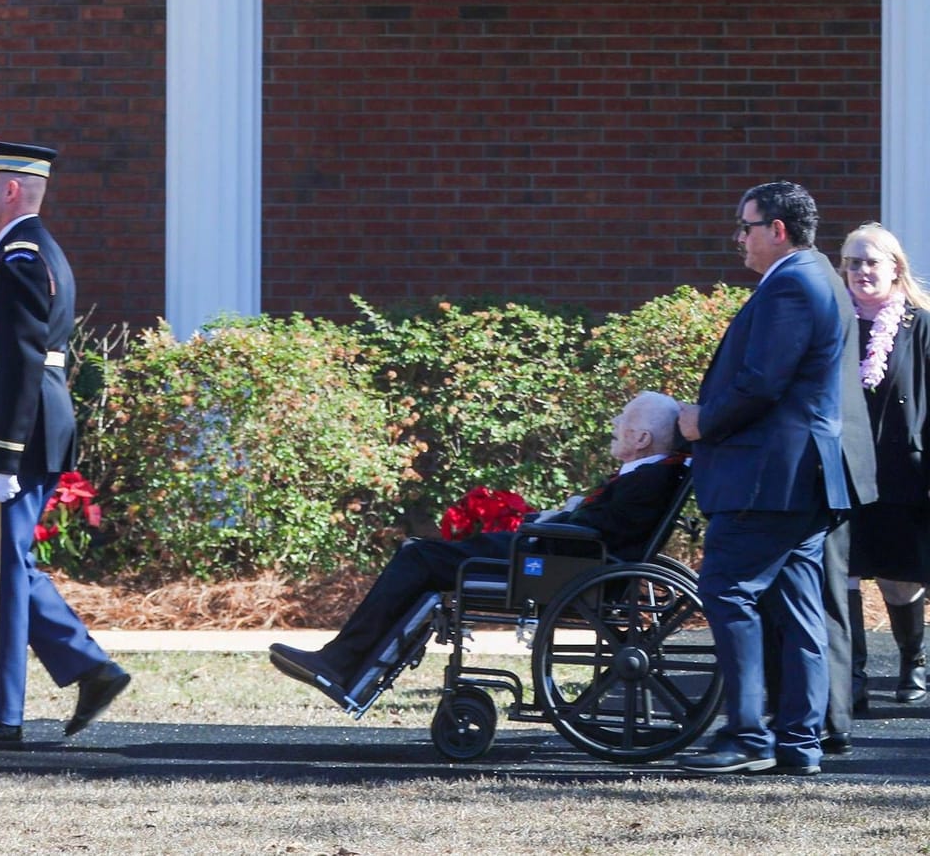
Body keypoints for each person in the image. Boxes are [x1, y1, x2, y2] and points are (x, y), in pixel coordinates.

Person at [269, 391, 692, 702]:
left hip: (557, 567)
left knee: (418, 555)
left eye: (622, 419)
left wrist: (556, 519)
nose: (614, 424)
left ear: (640, 438)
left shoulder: (649, 478)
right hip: (556, 557)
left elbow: (598, 531)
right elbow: (603, 523)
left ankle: (340, 663)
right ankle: (344, 666)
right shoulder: (649, 474)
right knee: (420, 554)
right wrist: (560, 515)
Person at [0, 138, 129, 750]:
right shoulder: (23, 252)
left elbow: (19, 362)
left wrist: (2, 456)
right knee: (2, 564)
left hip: (18, 429)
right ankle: (89, 668)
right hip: (25, 423)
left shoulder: (20, 256)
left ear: (10, 189)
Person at [675, 181, 852, 777]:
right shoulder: (817, 277)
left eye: (745, 226)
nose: (738, 238)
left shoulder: (795, 285)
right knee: (799, 611)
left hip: (770, 479)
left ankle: (748, 734)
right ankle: (798, 745)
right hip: (800, 480)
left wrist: (702, 422)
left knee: (727, 590)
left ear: (777, 229)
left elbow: (761, 384)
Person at [839, 224, 930, 704]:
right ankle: (852, 674)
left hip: (900, 470)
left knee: (899, 578)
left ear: (895, 268)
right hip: (845, 468)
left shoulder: (920, 324)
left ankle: (911, 661)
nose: (861, 271)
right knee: (847, 573)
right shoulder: (835, 321)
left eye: (870, 261)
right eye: (852, 262)